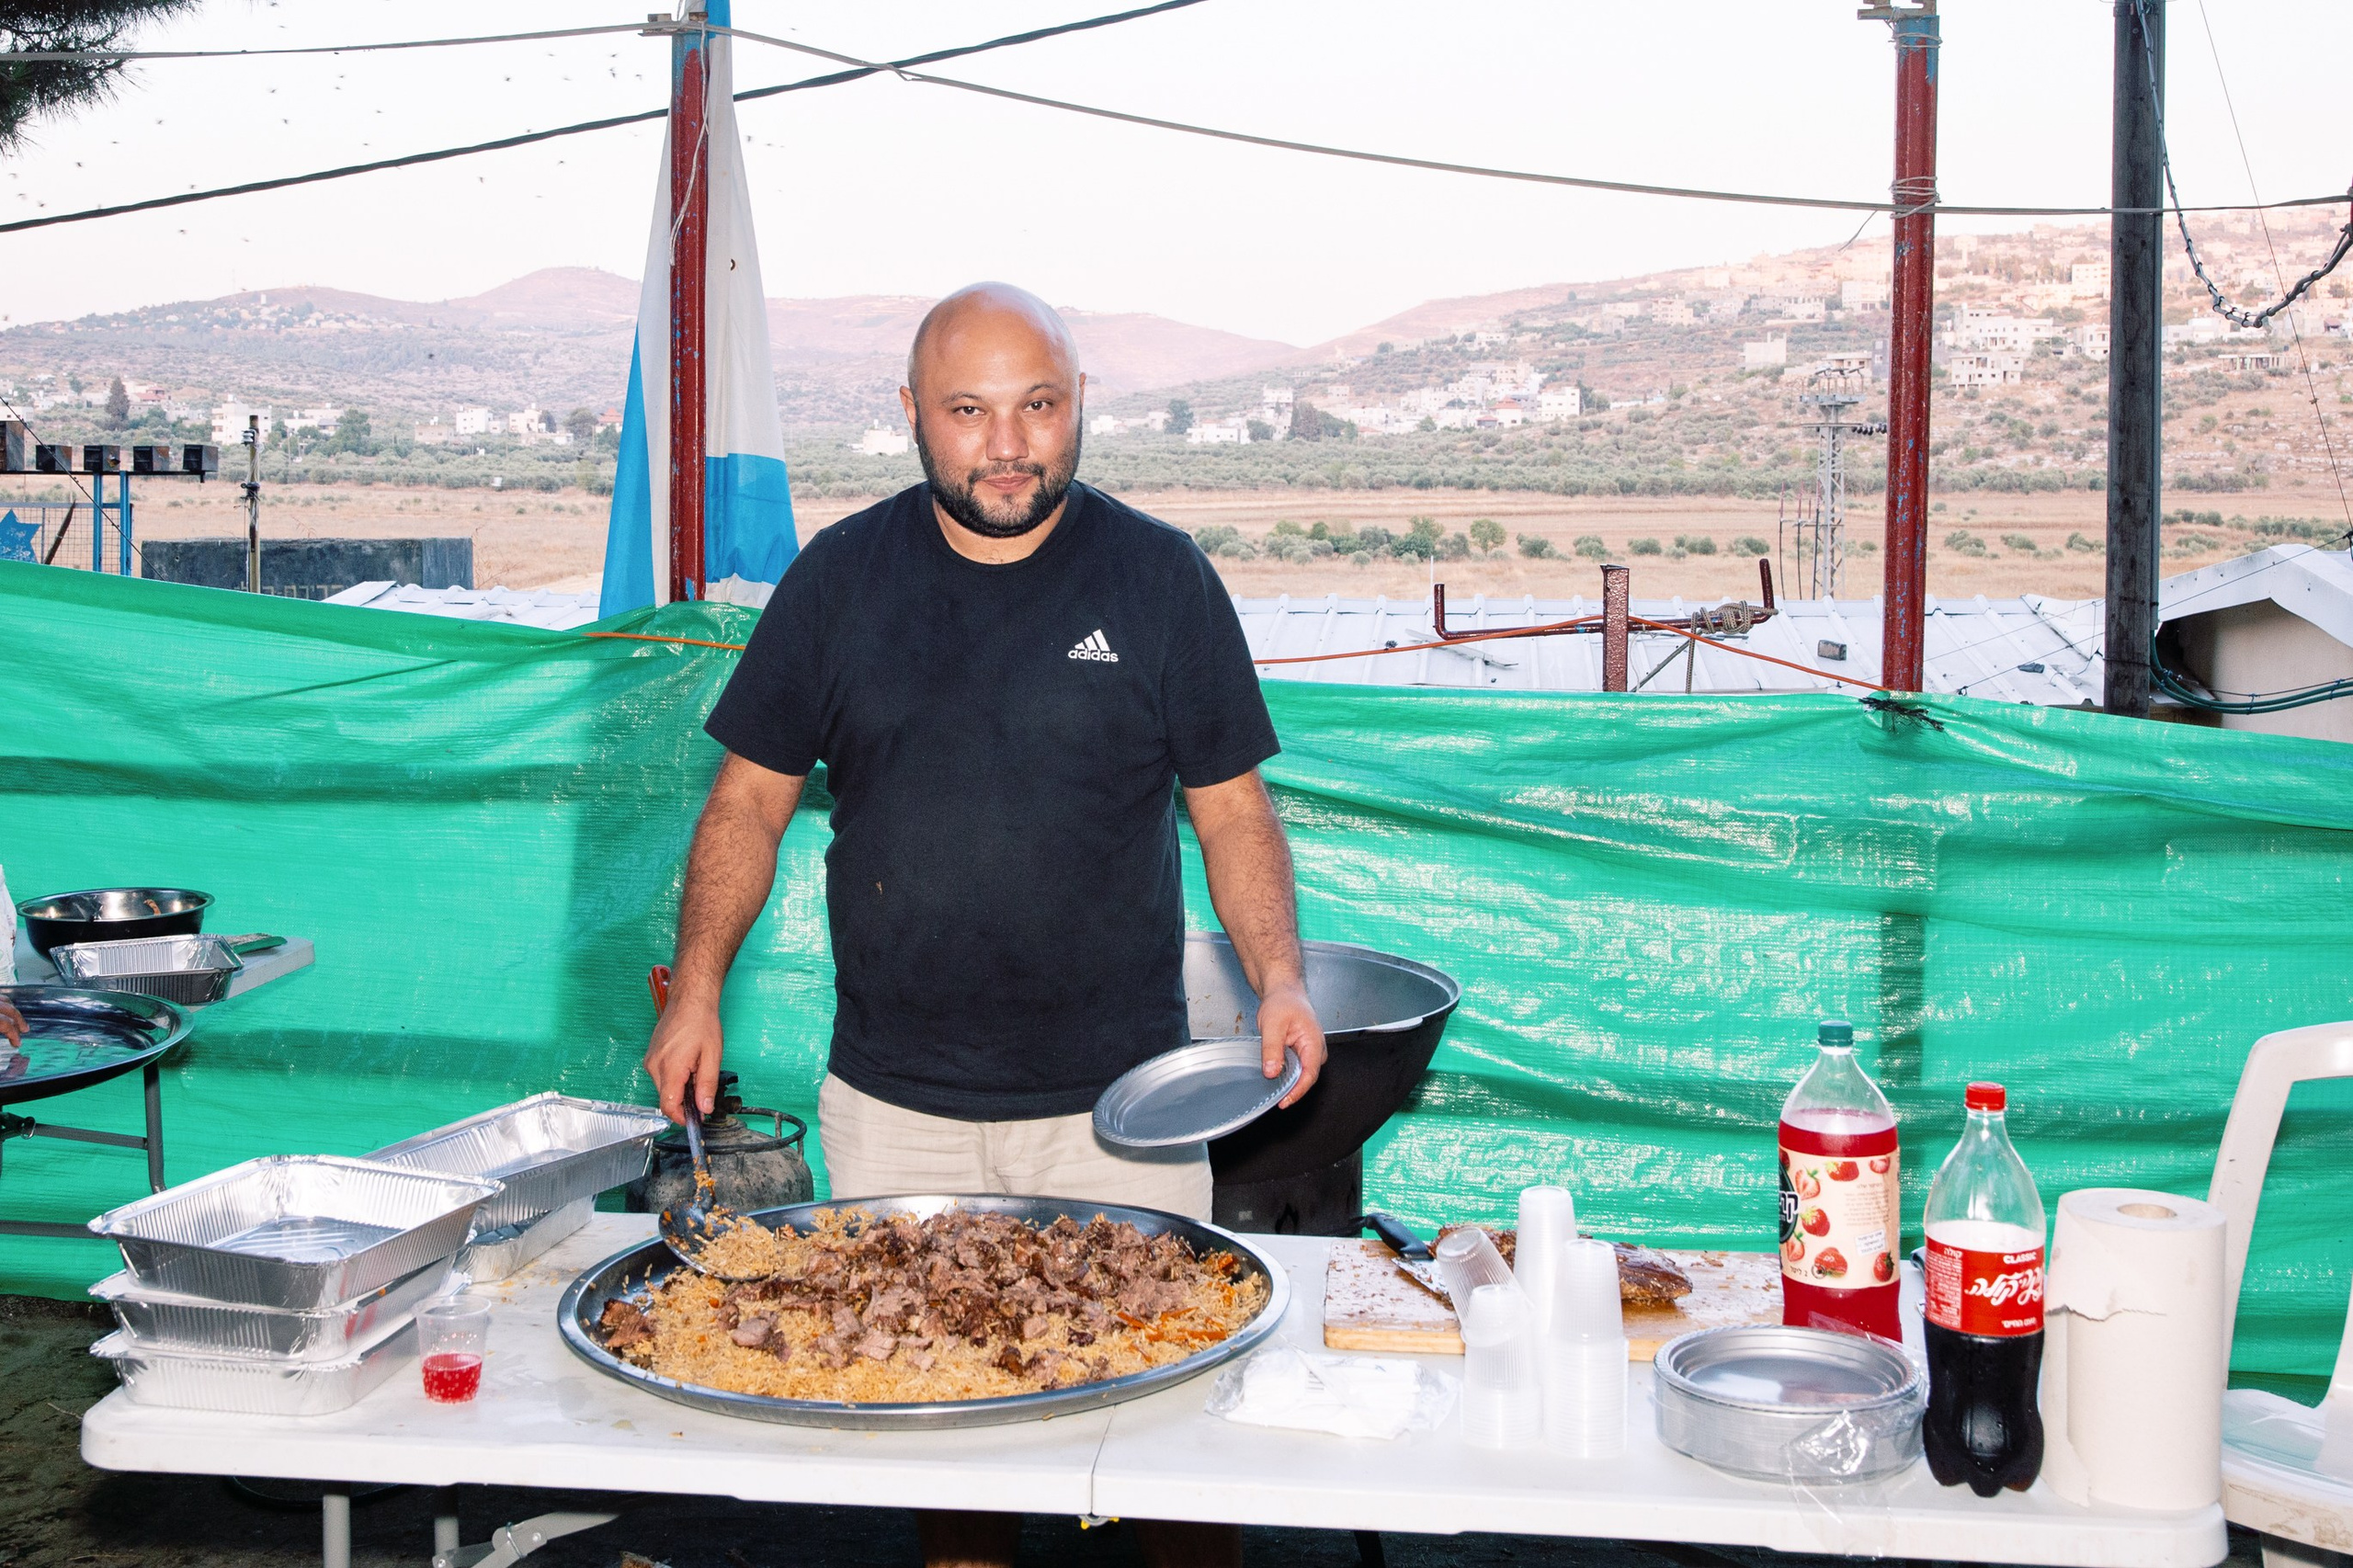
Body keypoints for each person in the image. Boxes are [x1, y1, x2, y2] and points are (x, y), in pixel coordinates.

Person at [642, 282, 1324, 1568]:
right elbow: (745, 801)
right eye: (969, 411)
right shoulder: (841, 581)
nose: (1007, 445)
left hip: (1124, 1113)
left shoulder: (1160, 576)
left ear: (1079, 411)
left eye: (1038, 408)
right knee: (946, 1430)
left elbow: (1233, 813)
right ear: (912, 415)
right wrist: (698, 991)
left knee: (1169, 1440)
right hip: (898, 1107)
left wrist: (1278, 976)